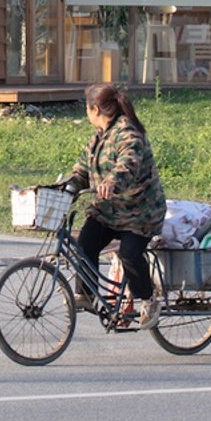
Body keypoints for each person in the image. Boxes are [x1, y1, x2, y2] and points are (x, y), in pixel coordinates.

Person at [59, 82, 166, 328]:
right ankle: (85, 295)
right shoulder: (98, 137)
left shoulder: (127, 132)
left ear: (95, 109)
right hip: (109, 211)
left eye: (86, 108)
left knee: (129, 253)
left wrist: (111, 181)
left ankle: (149, 300)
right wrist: (68, 187)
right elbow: (82, 170)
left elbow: (128, 163)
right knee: (85, 241)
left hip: (140, 213)